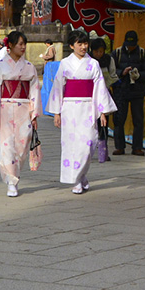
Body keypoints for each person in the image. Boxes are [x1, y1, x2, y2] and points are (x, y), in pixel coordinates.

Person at [47, 30, 117, 194]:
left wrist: (103, 112)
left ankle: (81, 173)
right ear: (72, 45)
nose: (84, 47)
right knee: (72, 145)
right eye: (80, 43)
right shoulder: (65, 63)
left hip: (88, 107)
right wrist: (56, 112)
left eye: (85, 43)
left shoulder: (93, 64)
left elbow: (100, 88)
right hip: (70, 107)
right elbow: (58, 87)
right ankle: (77, 180)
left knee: (88, 143)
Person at [0, 30, 40, 197]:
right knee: (6, 147)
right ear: (10, 45)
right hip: (3, 109)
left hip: (23, 109)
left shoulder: (29, 68)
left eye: (24, 44)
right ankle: (11, 182)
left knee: (21, 146)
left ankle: (16, 175)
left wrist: (34, 114)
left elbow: (34, 91)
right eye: (20, 44)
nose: (23, 47)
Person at [111, 31, 145, 156]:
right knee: (119, 120)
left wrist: (139, 75)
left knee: (138, 120)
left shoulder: (143, 53)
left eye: (132, 45)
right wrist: (122, 72)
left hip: (137, 91)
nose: (130, 47)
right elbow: (111, 71)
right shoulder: (117, 53)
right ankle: (119, 147)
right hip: (121, 91)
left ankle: (137, 147)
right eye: (128, 44)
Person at [90, 38, 117, 161]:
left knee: (103, 124)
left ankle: (103, 152)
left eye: (101, 51)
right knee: (89, 124)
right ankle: (87, 151)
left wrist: (105, 84)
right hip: (90, 96)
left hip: (104, 94)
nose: (99, 54)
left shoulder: (108, 60)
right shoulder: (88, 60)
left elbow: (113, 75)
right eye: (96, 51)